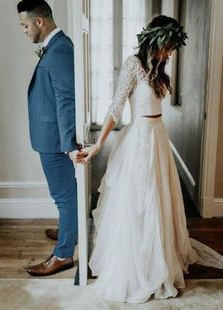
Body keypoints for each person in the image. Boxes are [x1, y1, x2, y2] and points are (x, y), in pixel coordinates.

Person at [81, 15, 223, 303]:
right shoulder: (134, 65)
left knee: (160, 200)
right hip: (140, 139)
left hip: (159, 136)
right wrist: (97, 146)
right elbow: (115, 107)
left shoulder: (160, 67)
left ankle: (160, 258)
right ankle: (139, 265)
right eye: (167, 47)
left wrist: (163, 62)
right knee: (139, 202)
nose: (169, 53)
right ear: (155, 40)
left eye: (172, 48)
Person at [17, 0, 86, 276]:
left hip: (57, 140)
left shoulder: (59, 50)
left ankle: (63, 254)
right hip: (50, 136)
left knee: (64, 197)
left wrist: (68, 144)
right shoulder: (56, 47)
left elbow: (65, 99)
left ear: (39, 21)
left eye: (24, 25)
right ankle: (69, 228)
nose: (24, 31)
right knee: (65, 197)